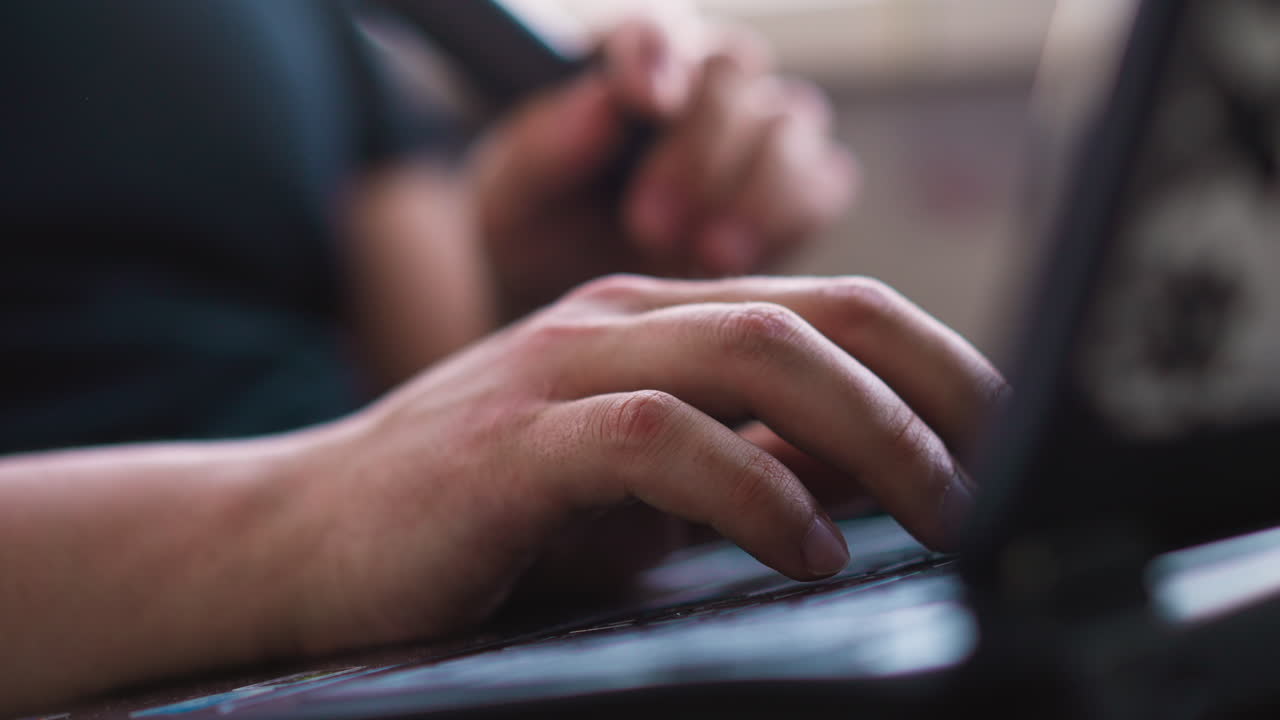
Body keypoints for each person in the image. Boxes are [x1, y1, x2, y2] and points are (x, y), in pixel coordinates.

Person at [0, 1, 1007, 715]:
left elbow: (408, 396)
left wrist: (556, 297)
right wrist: (288, 523)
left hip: (378, 652)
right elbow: (348, 486)